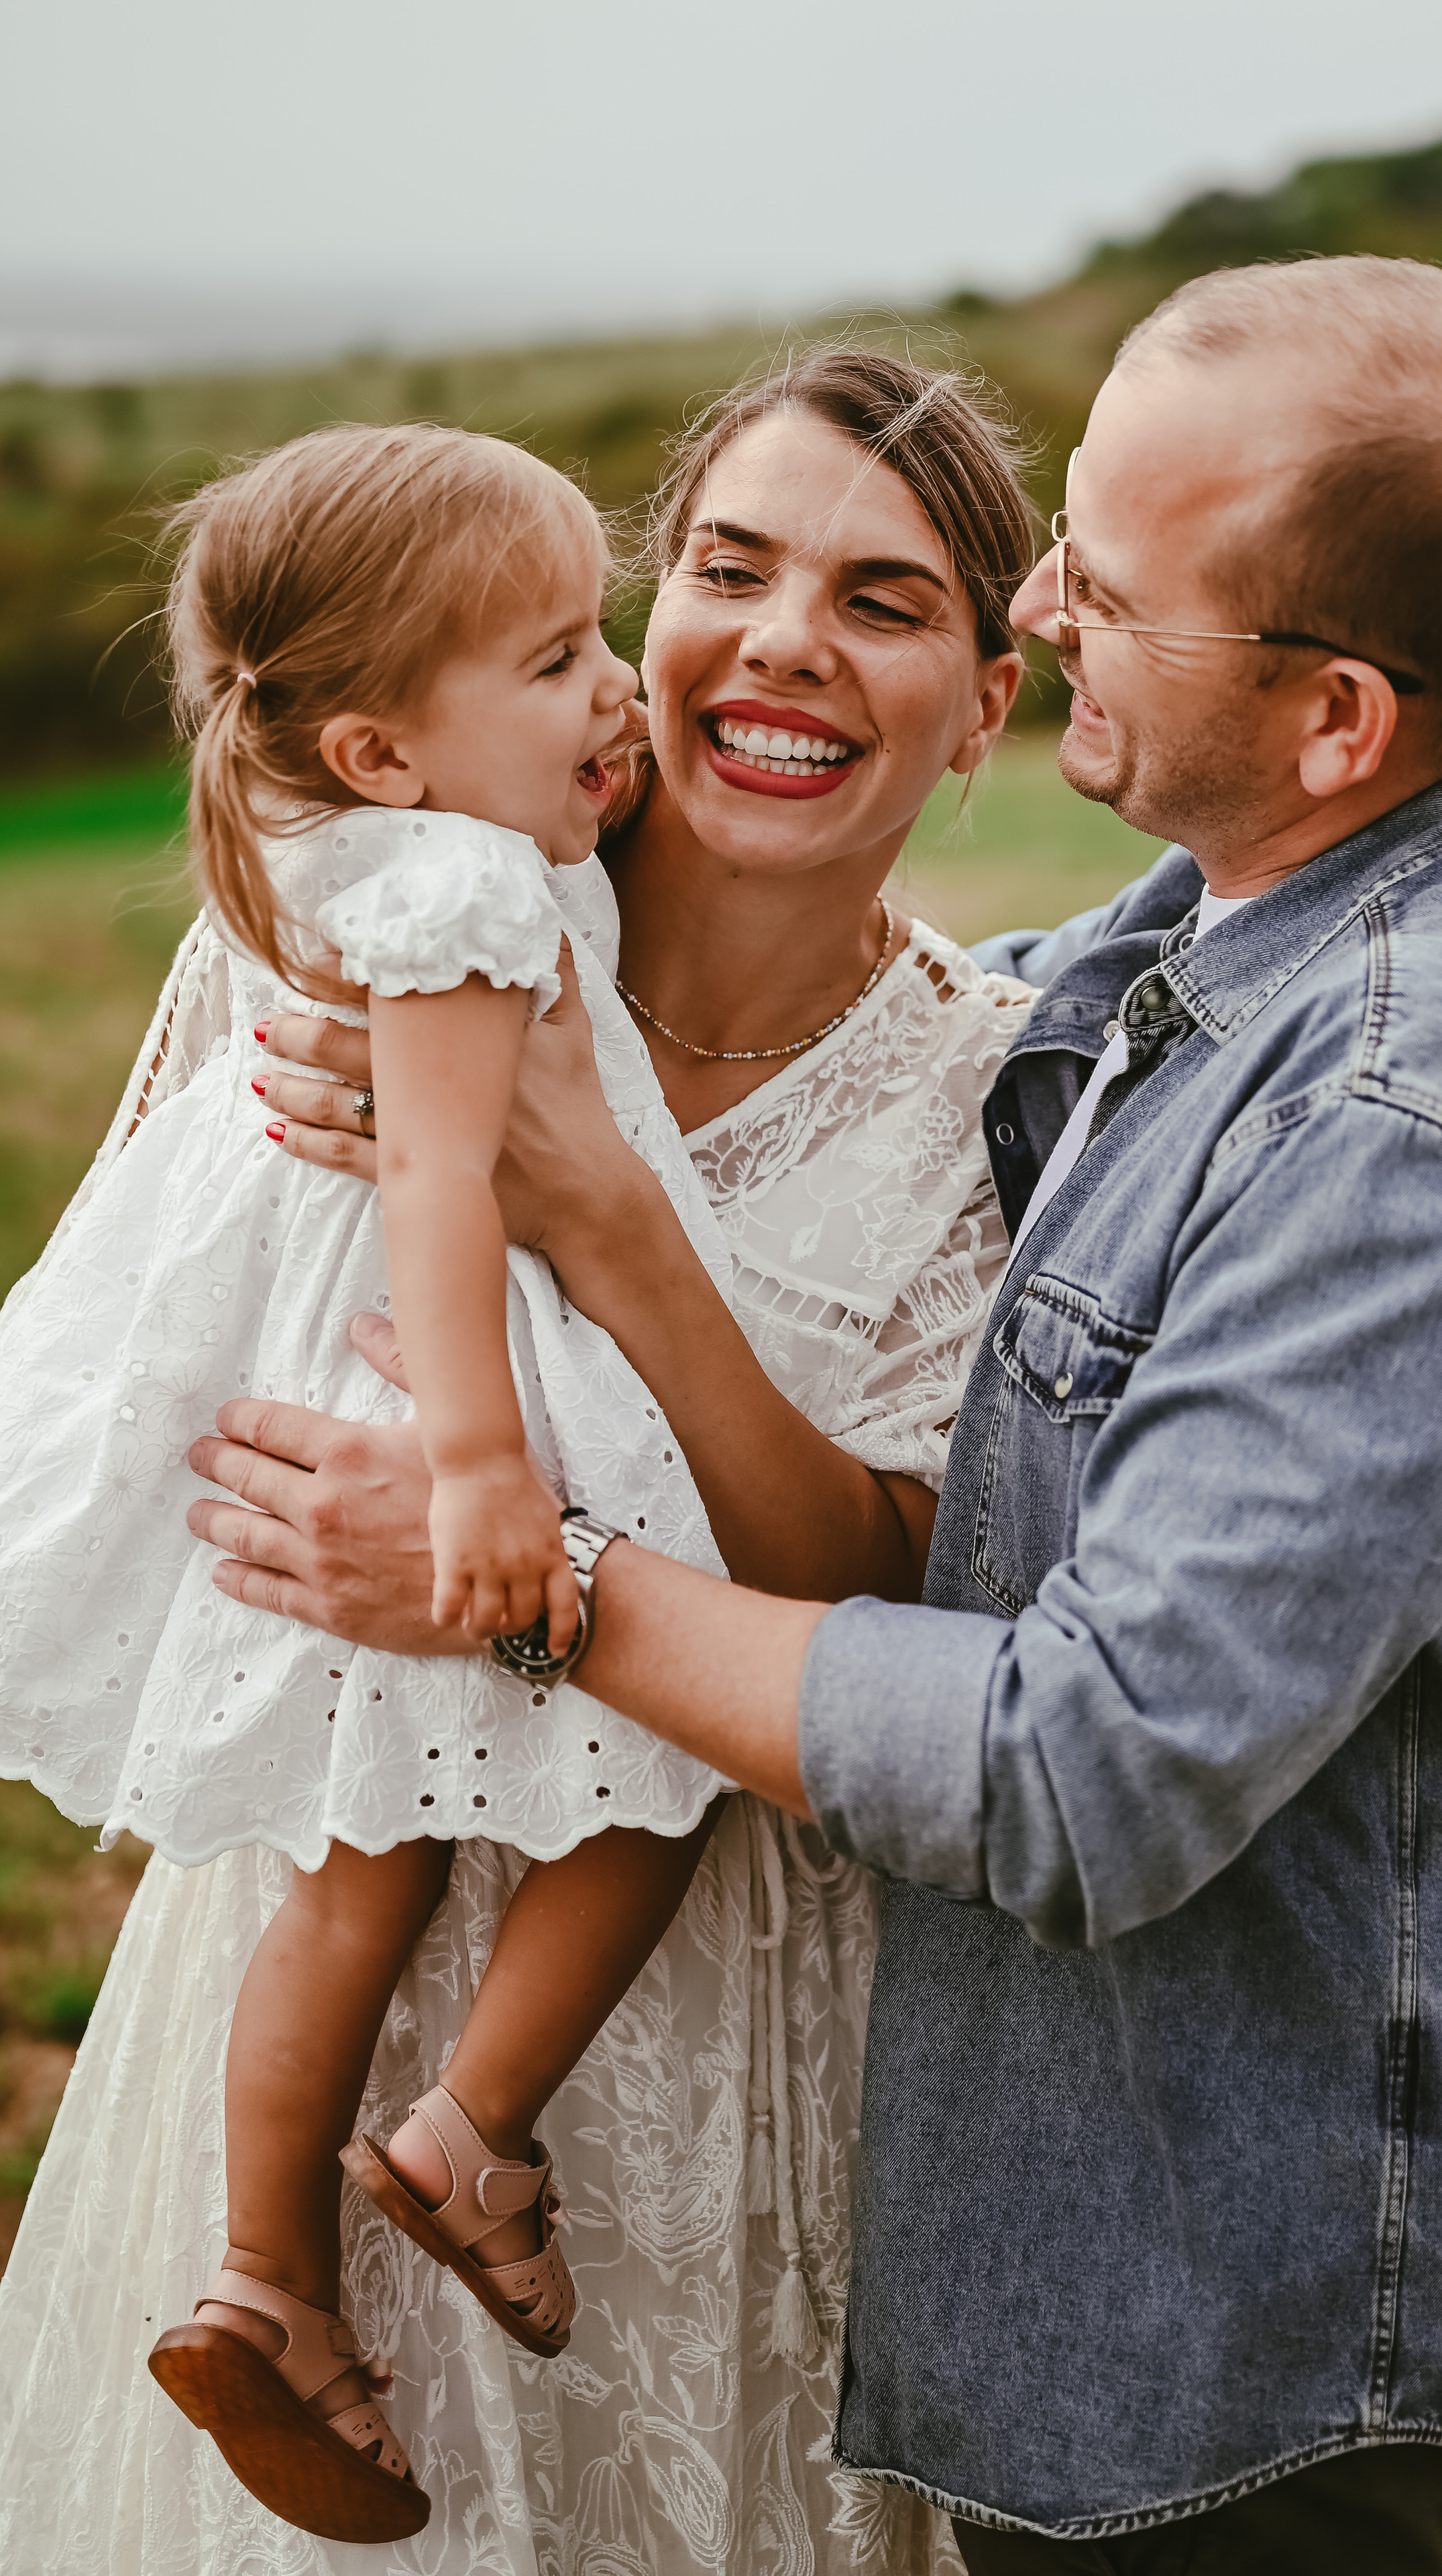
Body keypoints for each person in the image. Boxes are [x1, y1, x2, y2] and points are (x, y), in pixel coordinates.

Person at [179, 257, 1442, 2574]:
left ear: (1337, 722)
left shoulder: (1404, 1107)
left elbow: (1084, 1758)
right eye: (718, 569)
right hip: (978, 2158)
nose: (1066, 591)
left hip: (1234, 2279)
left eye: (1104, 582)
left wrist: (533, 1563)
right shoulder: (1193, 947)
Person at [0, 349, 1036, 2575]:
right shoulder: (373, 928)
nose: (780, 639)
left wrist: (605, 1241)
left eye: (885, 600)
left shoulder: (997, 1094)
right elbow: (167, 1342)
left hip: (737, 2011)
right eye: (730, 568)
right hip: (328, 1901)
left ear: (991, 698)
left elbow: (895, 1599)